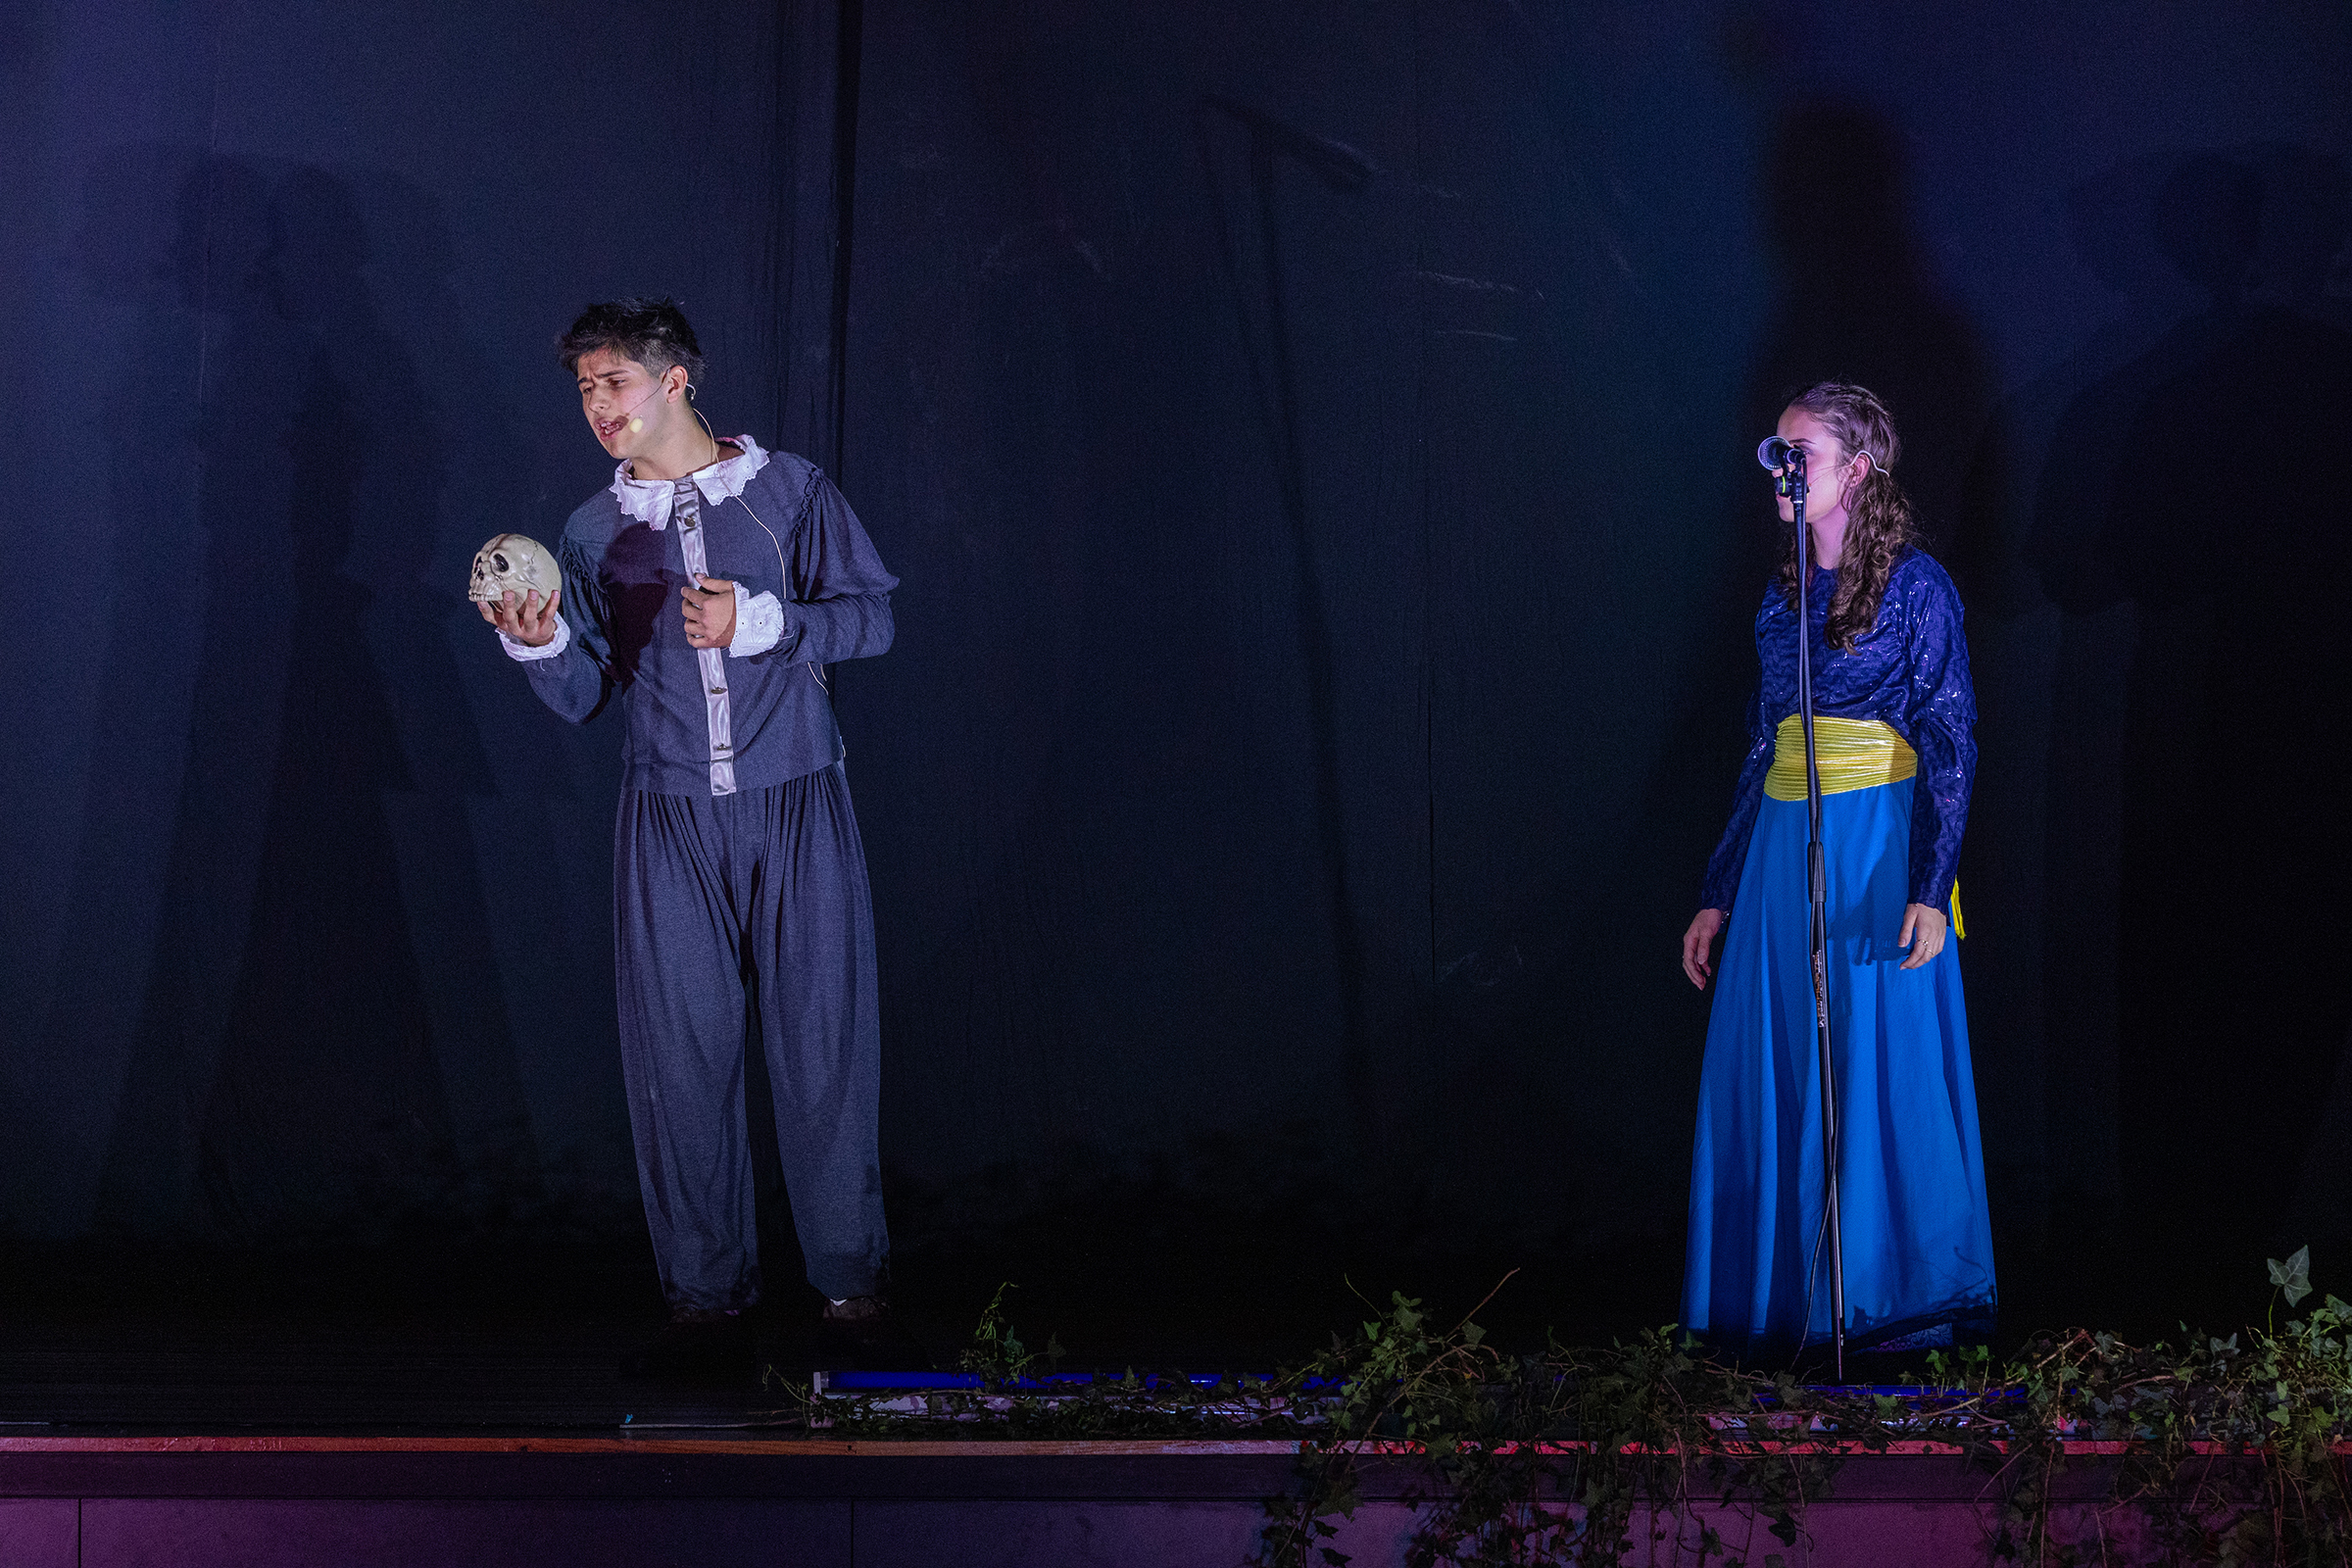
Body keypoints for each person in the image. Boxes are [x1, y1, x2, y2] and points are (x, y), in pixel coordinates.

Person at [481, 298, 903, 1377]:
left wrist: (766, 624)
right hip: (667, 816)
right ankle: (706, 1300)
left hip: (795, 799)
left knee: (823, 1049)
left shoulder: (787, 491)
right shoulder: (592, 530)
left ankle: (850, 1287)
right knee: (679, 1059)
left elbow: (872, 618)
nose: (597, 404)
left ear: (675, 381)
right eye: (585, 388)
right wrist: (539, 645)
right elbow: (587, 694)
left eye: (614, 381)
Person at [1678, 382, 1995, 1356]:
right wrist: (1718, 892)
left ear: (1857, 469)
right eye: (1774, 453)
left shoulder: (1916, 587)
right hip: (1783, 848)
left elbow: (1951, 740)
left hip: (1873, 845)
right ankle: (1784, 1300)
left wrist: (1930, 887)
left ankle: (1883, 1299)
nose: (1782, 470)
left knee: (1872, 1058)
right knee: (1780, 1057)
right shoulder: (1781, 601)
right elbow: (1760, 746)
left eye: (1801, 453)